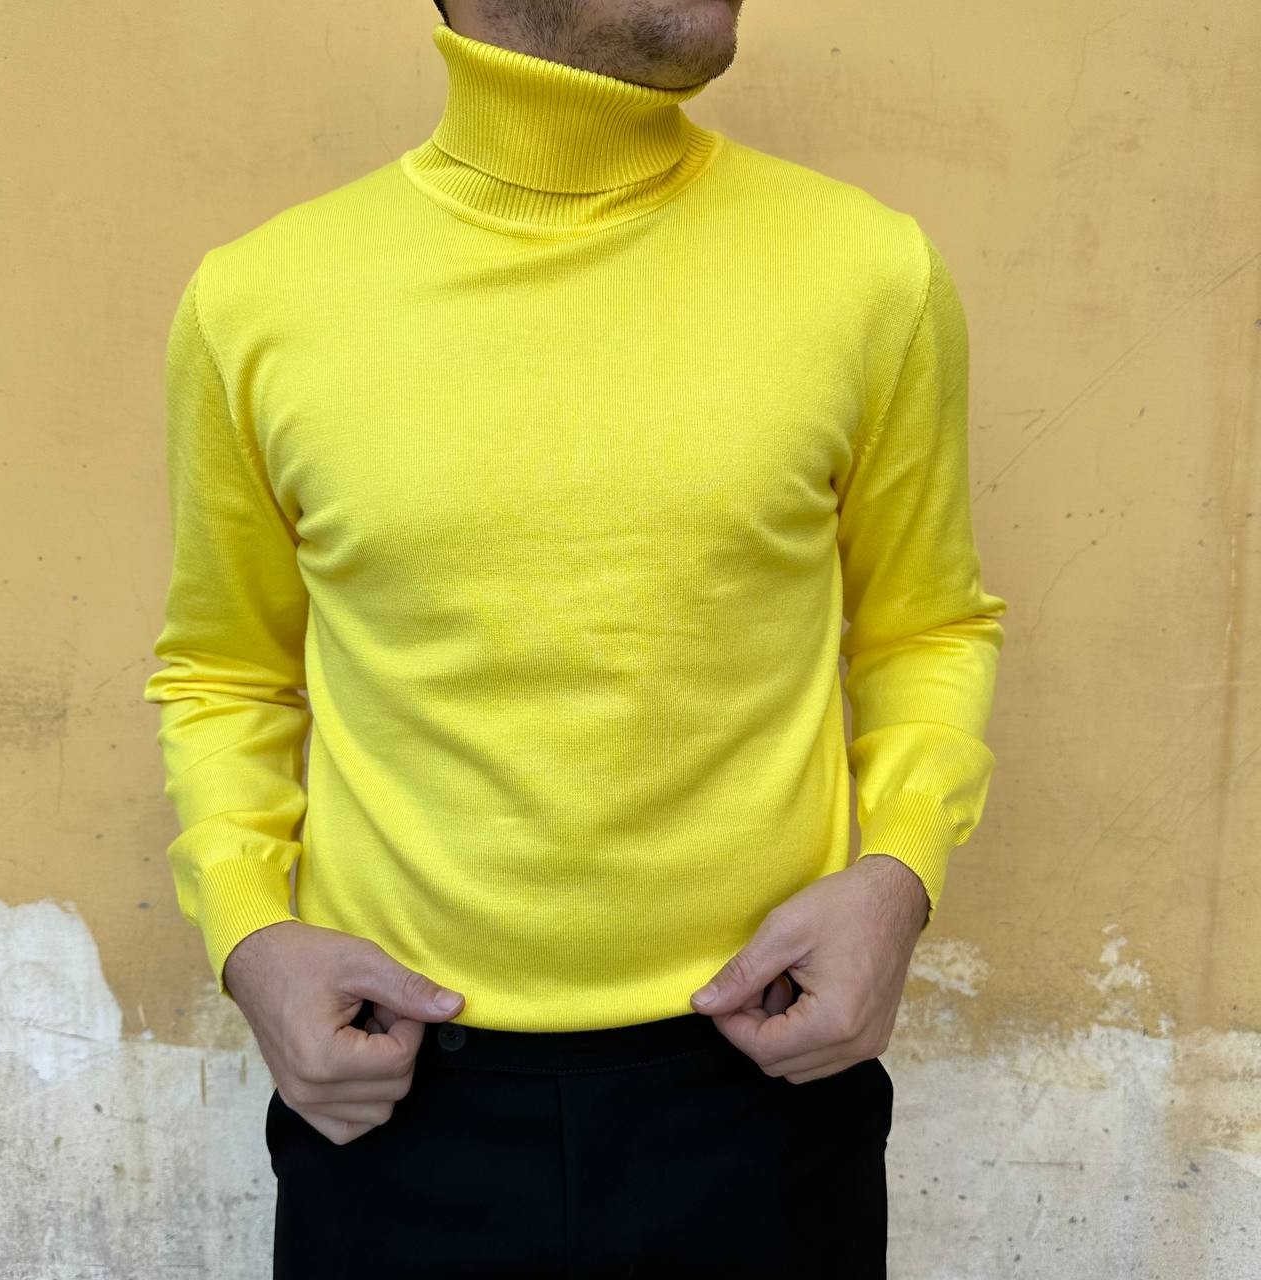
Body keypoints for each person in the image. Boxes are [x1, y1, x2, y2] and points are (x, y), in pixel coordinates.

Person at [142, 1, 1008, 1275]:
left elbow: (924, 625)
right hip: (391, 1098)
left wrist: (899, 870)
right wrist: (247, 931)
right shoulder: (255, 302)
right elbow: (225, 669)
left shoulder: (870, 271)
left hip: (763, 1087)